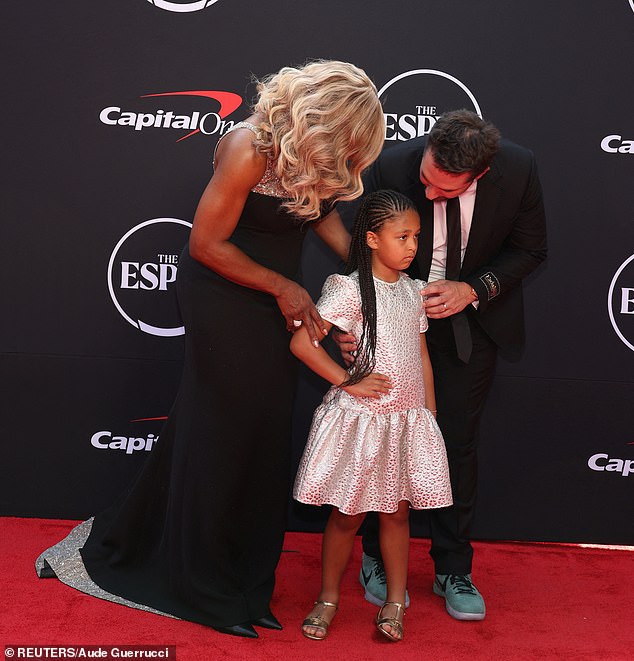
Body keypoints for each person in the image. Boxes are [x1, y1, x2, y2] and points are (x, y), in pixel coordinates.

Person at [35, 60, 385, 639]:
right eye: (348, 139)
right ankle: (201, 585)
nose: (351, 153)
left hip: (278, 301)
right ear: (322, 119)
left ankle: (246, 584)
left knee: (262, 439)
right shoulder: (249, 147)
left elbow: (318, 210)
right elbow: (205, 244)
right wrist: (284, 286)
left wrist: (363, 265)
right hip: (225, 296)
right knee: (223, 437)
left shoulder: (309, 156)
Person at [333, 110, 547, 621]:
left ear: (481, 175)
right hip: (389, 324)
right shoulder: (391, 167)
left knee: (454, 443)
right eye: (426, 181)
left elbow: (531, 249)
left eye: (446, 192)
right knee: (377, 442)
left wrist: (473, 289)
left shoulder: (519, 169)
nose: (429, 196)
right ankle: (376, 561)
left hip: (469, 323)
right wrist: (350, 325)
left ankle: (454, 567)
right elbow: (359, 248)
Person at [291, 190, 453, 642]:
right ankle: (327, 598)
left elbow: (421, 356)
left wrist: (430, 416)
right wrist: (349, 381)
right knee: (347, 514)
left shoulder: (415, 292)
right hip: (361, 421)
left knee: (398, 514)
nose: (412, 247)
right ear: (372, 239)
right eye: (402, 236)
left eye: (417, 237)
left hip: (407, 420)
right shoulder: (347, 288)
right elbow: (303, 343)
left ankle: (395, 602)